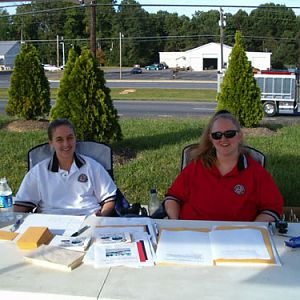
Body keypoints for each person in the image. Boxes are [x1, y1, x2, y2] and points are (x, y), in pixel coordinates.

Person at [164, 110, 283, 221]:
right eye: (217, 135)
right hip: (193, 235)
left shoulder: (256, 172)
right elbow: (172, 198)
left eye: (229, 134)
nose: (223, 139)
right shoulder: (196, 166)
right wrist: (175, 224)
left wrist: (252, 230)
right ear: (211, 138)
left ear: (239, 136)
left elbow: (272, 208)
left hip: (237, 238)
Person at [14, 119, 117, 216]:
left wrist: (102, 215)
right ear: (51, 143)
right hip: (51, 222)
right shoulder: (38, 172)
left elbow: (109, 199)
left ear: (75, 138)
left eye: (70, 138)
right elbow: (21, 205)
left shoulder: (92, 166)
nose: (66, 144)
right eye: (59, 139)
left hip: (88, 220)